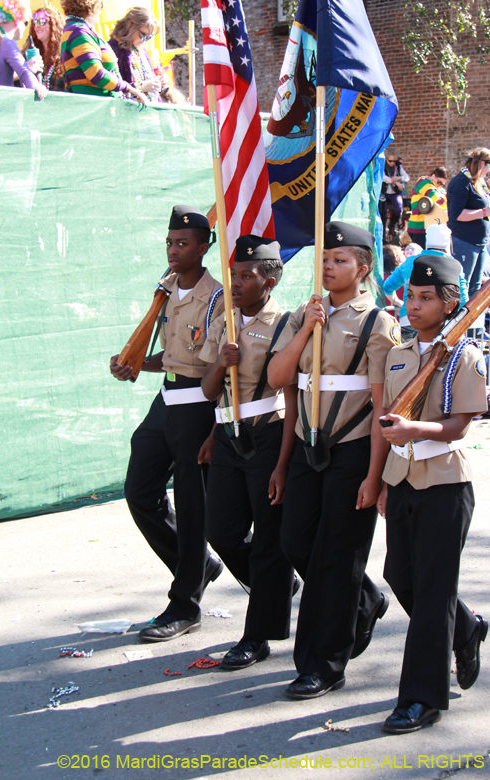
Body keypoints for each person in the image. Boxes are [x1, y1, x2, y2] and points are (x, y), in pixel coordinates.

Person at [268, 221, 399, 700]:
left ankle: (323, 664)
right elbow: (278, 376)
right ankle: (364, 599)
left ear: (363, 269)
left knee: (338, 558)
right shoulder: (305, 314)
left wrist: (375, 475)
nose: (328, 266)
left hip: (353, 448)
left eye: (340, 260)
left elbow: (382, 407)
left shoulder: (377, 322)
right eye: (324, 259)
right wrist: (307, 328)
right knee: (295, 541)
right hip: (308, 445)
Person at [378, 254, 489, 734]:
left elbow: (459, 425)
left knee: (432, 593)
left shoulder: (464, 355)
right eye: (411, 296)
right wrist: (384, 481)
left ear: (449, 304)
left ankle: (421, 698)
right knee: (400, 576)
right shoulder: (399, 353)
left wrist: (413, 430)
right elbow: (388, 419)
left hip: (445, 483)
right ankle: (465, 628)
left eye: (426, 298)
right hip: (402, 478)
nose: (414, 305)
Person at [110, 206, 225, 641]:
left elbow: (211, 367)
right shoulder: (166, 289)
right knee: (140, 491)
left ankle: (185, 606)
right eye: (169, 243)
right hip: (166, 400)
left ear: (204, 247)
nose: (173, 251)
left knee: (194, 509)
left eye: (183, 243)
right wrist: (135, 363)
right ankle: (199, 565)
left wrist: (214, 428)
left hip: (197, 405)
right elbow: (173, 356)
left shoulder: (216, 299)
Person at [200, 236, 296, 671]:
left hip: (267, 434)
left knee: (269, 541)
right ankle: (277, 587)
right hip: (227, 436)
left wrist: (283, 462)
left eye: (246, 276)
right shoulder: (225, 320)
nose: (235, 283)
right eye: (233, 275)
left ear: (269, 281)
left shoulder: (285, 324)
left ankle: (257, 636)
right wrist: (222, 361)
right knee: (221, 532)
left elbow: (289, 395)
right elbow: (209, 391)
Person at [60, 0, 147, 103]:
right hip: (91, 106)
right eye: (101, 5)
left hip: (95, 105)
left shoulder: (78, 29)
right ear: (93, 6)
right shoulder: (79, 32)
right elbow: (96, 73)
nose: (101, 10)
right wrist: (129, 88)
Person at [384, 224, 468, 341]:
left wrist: (396, 302)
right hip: (440, 325)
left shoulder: (410, 262)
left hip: (409, 320)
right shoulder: (453, 265)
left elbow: (387, 287)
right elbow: (464, 300)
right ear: (448, 243)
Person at [447, 148, 490, 298]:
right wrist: (485, 212)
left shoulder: (479, 183)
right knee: (463, 284)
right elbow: (457, 214)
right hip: (465, 241)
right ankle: (460, 313)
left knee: (475, 286)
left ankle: (472, 313)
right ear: (483, 163)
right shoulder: (461, 182)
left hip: (480, 242)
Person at [0, 0, 47, 98]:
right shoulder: (7, 44)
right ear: (17, 19)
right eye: (26, 22)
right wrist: (37, 86)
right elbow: (24, 72)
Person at [109, 7, 163, 103]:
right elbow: (112, 86)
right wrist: (140, 86)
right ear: (130, 27)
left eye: (148, 37)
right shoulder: (112, 49)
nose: (144, 40)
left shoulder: (142, 50)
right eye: (142, 35)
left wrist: (159, 84)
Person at [26, 3, 66, 91]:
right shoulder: (29, 55)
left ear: (54, 25)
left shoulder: (64, 56)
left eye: (42, 21)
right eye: (35, 22)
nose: (37, 26)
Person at [408, 167, 449, 248]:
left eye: (442, 184)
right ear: (433, 176)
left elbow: (446, 199)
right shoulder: (423, 182)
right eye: (439, 182)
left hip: (431, 227)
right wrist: (448, 203)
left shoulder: (438, 188)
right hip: (418, 227)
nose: (440, 185)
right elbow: (436, 198)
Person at [381, 152, 409, 240]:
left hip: (395, 193)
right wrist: (396, 182)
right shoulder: (382, 165)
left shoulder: (398, 166)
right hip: (384, 192)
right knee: (383, 212)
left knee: (398, 210)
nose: (392, 163)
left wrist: (399, 178)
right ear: (386, 159)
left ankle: (392, 225)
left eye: (394, 161)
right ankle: (383, 236)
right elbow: (383, 178)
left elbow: (407, 177)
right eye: (390, 161)